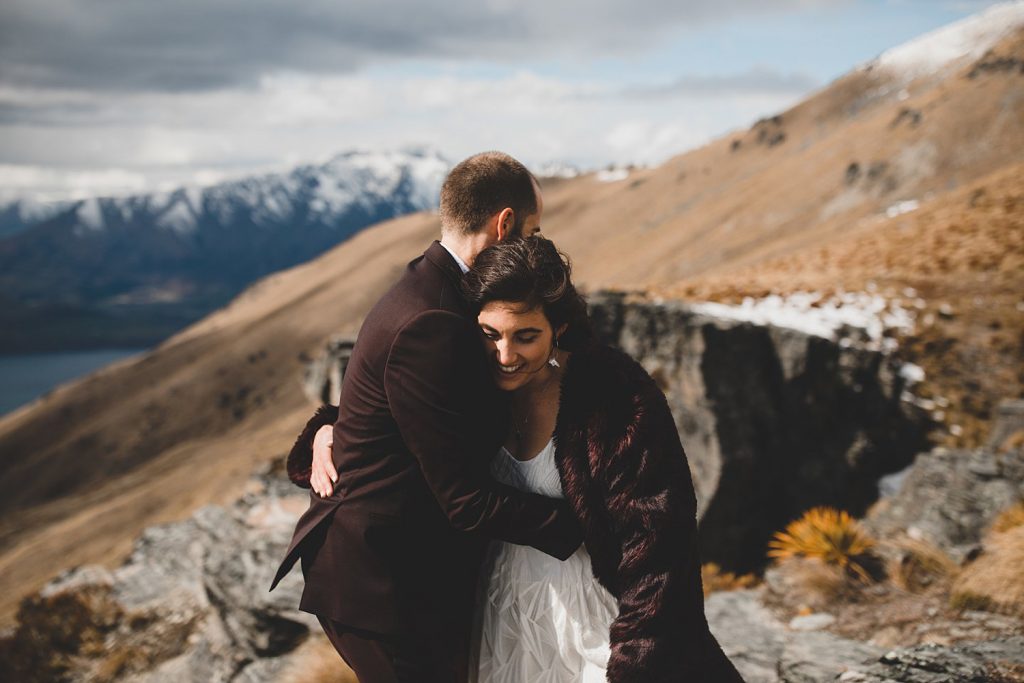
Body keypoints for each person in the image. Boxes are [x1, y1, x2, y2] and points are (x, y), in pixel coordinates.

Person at [304, 236, 746, 681]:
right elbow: (392, 424)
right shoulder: (466, 381)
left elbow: (658, 536)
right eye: (489, 334)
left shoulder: (613, 397)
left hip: (595, 613)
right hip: (497, 609)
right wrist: (328, 431)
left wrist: (638, 655)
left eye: (526, 336)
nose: (505, 355)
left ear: (559, 329)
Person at [271, 152, 583, 683]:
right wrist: (588, 533)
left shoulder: (434, 288)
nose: (535, 243)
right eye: (532, 230)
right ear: (504, 223)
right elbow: (464, 500)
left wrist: (331, 426)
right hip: (384, 582)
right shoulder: (434, 319)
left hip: (397, 569)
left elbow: (410, 412)